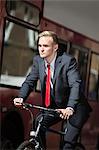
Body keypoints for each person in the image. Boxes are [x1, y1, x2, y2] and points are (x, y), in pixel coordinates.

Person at [13, 31, 92, 150]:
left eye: (45, 46)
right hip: (56, 107)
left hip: (75, 107)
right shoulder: (38, 61)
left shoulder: (68, 61)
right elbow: (30, 81)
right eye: (39, 46)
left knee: (67, 143)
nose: (41, 49)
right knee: (38, 123)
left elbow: (75, 85)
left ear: (55, 47)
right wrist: (21, 97)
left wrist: (70, 108)